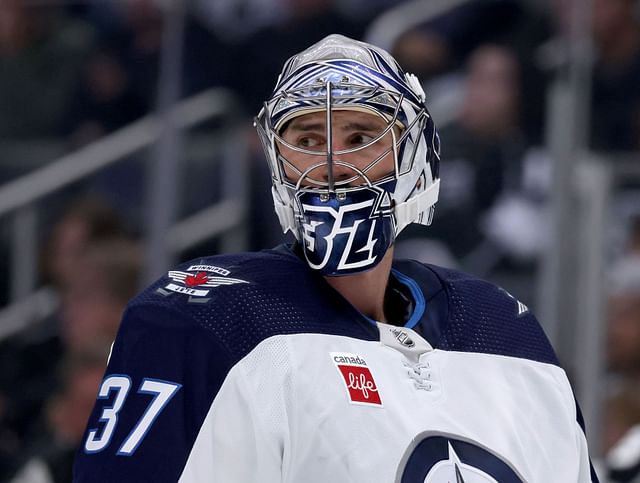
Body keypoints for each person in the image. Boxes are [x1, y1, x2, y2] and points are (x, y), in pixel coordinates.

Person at [73, 34, 598, 482]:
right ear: (277, 164)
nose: (331, 165)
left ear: (414, 156)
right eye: (306, 138)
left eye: (361, 137)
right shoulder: (199, 319)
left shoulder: (504, 330)